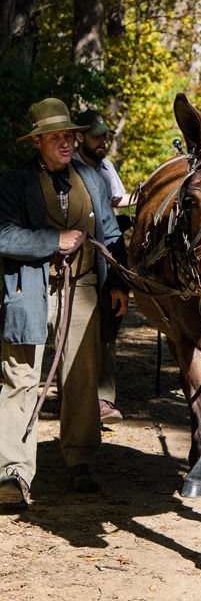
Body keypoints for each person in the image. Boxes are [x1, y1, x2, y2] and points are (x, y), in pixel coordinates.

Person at [0, 97, 129, 510]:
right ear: (37, 141)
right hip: (28, 291)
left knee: (81, 375)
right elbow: (2, 236)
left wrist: (120, 282)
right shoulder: (13, 182)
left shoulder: (91, 178)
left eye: (69, 135)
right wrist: (51, 241)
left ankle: (81, 459)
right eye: (56, 136)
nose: (66, 143)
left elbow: (110, 233)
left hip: (86, 290)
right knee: (20, 379)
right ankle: (12, 472)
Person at [74, 109, 129, 425]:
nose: (102, 142)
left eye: (104, 136)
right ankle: (78, 396)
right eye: (96, 136)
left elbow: (118, 200)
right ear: (80, 136)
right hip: (80, 258)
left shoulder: (106, 167)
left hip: (108, 253)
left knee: (109, 327)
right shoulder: (70, 169)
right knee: (80, 330)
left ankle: (104, 400)